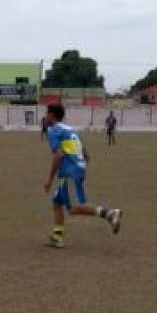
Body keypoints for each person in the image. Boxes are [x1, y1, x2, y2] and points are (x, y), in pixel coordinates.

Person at [43, 104, 122, 249]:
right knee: (57, 202)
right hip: (77, 168)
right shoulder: (70, 130)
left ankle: (109, 214)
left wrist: (49, 179)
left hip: (69, 171)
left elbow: (58, 155)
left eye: (47, 113)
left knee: (73, 208)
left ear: (52, 115)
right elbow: (86, 153)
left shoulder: (54, 131)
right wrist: (81, 169)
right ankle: (57, 237)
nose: (45, 116)